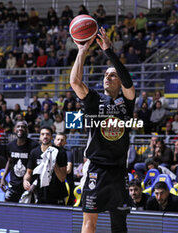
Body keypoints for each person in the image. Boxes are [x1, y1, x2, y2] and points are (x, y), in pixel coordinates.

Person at [70, 27, 135, 233]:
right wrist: (82, 51)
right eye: (106, 74)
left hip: (119, 170)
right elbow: (74, 82)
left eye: (112, 75)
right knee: (90, 222)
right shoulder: (94, 100)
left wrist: (109, 52)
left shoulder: (127, 101)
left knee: (119, 223)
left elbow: (129, 82)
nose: (108, 77)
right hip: (96, 169)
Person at [24, 127, 67, 204]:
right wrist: (25, 180)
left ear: (52, 137)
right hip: (40, 195)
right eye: (42, 134)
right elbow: (28, 172)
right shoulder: (34, 152)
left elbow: (62, 178)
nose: (45, 136)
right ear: (40, 137)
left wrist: (53, 162)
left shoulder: (60, 152)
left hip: (57, 195)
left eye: (47, 134)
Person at [0, 121, 39, 202]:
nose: (20, 128)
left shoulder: (34, 145)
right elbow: (9, 161)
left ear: (27, 130)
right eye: (18, 126)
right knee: (8, 211)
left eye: (23, 127)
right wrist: (3, 178)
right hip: (13, 185)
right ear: (14, 129)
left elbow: (38, 166)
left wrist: (35, 184)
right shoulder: (10, 145)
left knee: (26, 212)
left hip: (28, 185)